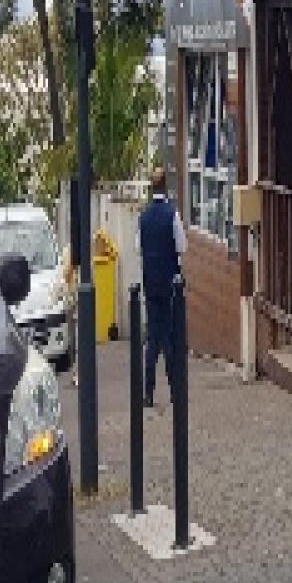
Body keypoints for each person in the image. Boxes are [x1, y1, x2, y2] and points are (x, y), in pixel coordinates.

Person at [136, 166, 186, 408]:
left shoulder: (143, 217)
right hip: (169, 285)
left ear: (151, 188)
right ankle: (175, 391)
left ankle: (148, 393)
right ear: (165, 187)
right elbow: (182, 247)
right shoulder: (172, 215)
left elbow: (138, 248)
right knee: (169, 338)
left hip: (150, 284)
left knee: (152, 339)